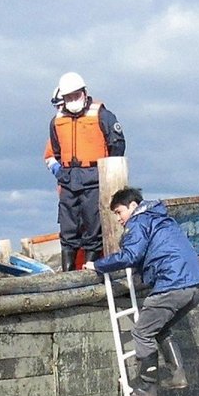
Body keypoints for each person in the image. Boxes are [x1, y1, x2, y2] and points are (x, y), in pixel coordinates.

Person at [85, 187, 199, 396]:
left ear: (133, 206)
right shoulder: (163, 220)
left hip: (173, 284)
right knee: (161, 329)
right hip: (196, 286)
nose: (120, 220)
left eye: (120, 212)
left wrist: (98, 265)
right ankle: (177, 376)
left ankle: (147, 387)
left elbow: (131, 255)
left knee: (142, 332)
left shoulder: (139, 221)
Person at [44, 71, 125, 271]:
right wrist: (60, 173)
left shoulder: (102, 114)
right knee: (68, 225)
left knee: (93, 223)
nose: (72, 100)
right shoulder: (56, 121)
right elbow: (54, 151)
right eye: (68, 97)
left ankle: (90, 267)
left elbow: (117, 145)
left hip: (95, 177)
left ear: (84, 92)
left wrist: (106, 174)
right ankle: (67, 274)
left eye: (75, 95)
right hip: (69, 178)